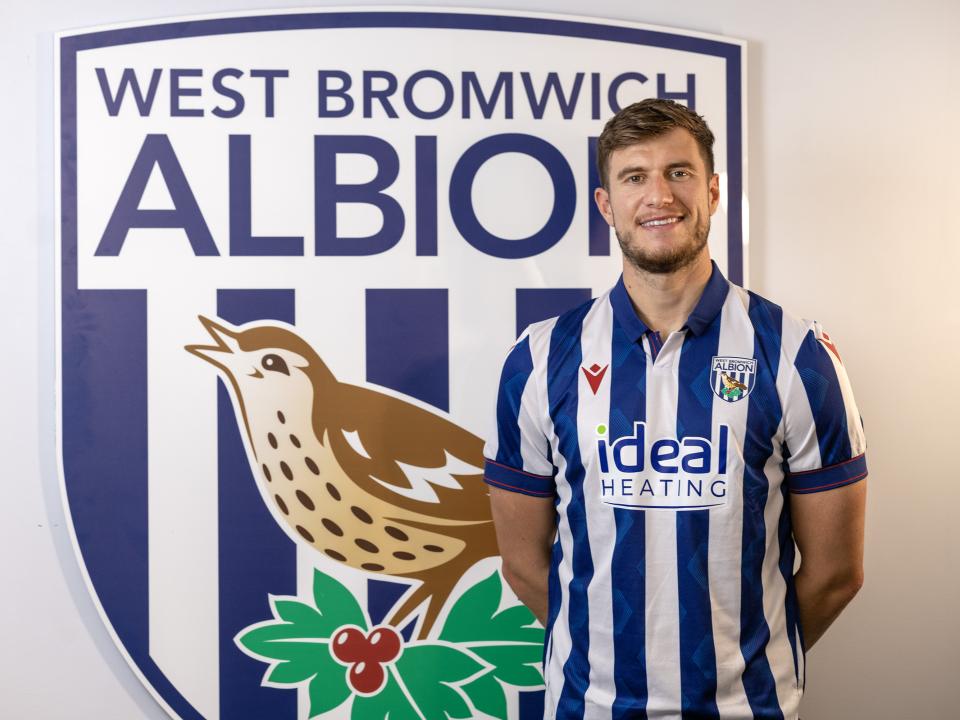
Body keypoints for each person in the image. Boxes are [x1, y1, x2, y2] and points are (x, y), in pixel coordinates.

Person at [483, 98, 866, 720]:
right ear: (607, 204)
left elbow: (835, 573)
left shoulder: (796, 354)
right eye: (635, 177)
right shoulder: (538, 359)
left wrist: (749, 670)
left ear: (713, 192)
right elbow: (524, 564)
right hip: (587, 706)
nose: (659, 195)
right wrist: (601, 652)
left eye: (679, 173)